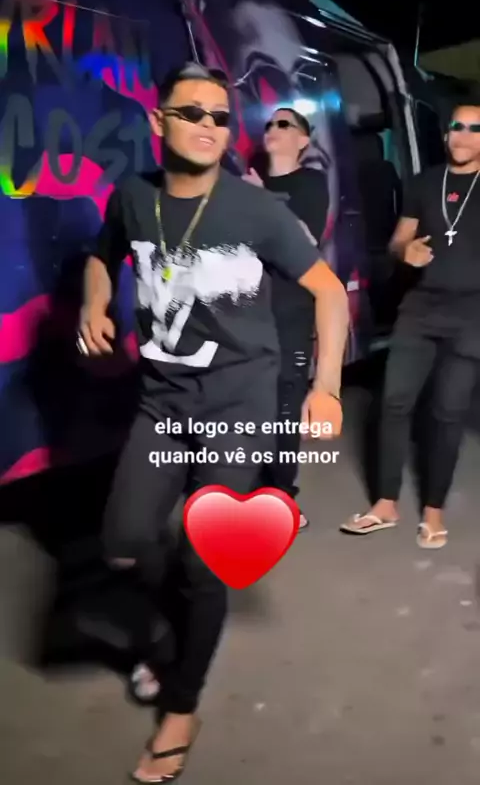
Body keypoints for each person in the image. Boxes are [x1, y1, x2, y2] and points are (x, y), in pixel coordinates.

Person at [79, 62, 349, 782]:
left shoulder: (254, 211)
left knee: (205, 558)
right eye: (191, 113)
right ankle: (174, 638)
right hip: (161, 401)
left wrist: (325, 388)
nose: (208, 126)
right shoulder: (133, 197)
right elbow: (102, 256)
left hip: (238, 403)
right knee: (125, 542)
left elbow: (329, 293)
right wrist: (93, 303)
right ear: (158, 121)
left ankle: (182, 705)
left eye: (220, 117)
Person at [341, 104, 480, 549]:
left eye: (475, 128)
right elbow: (398, 240)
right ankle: (385, 504)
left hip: (471, 316)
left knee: (447, 412)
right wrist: (406, 252)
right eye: (456, 125)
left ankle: (433, 512)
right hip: (419, 308)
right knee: (394, 402)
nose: (463, 134)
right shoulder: (424, 182)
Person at [243, 108, 330, 530]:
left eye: (284, 124)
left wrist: (262, 199)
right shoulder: (247, 183)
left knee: (282, 407)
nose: (273, 130)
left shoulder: (310, 183)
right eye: (269, 124)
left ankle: (282, 497)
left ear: (303, 141)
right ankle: (248, 494)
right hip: (246, 313)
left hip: (290, 311)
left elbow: (307, 241)